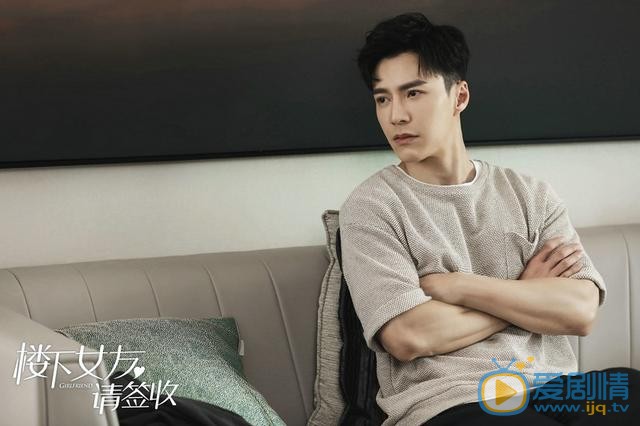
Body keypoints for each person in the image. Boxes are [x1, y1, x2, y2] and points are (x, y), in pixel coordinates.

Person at [338, 12, 637, 425]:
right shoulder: (371, 207)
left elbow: (579, 311)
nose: (396, 116)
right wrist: (526, 293)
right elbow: (409, 335)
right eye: (383, 99)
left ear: (459, 96)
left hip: (554, 389)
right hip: (454, 400)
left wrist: (459, 286)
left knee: (628, 387)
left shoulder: (531, 194)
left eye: (413, 93)